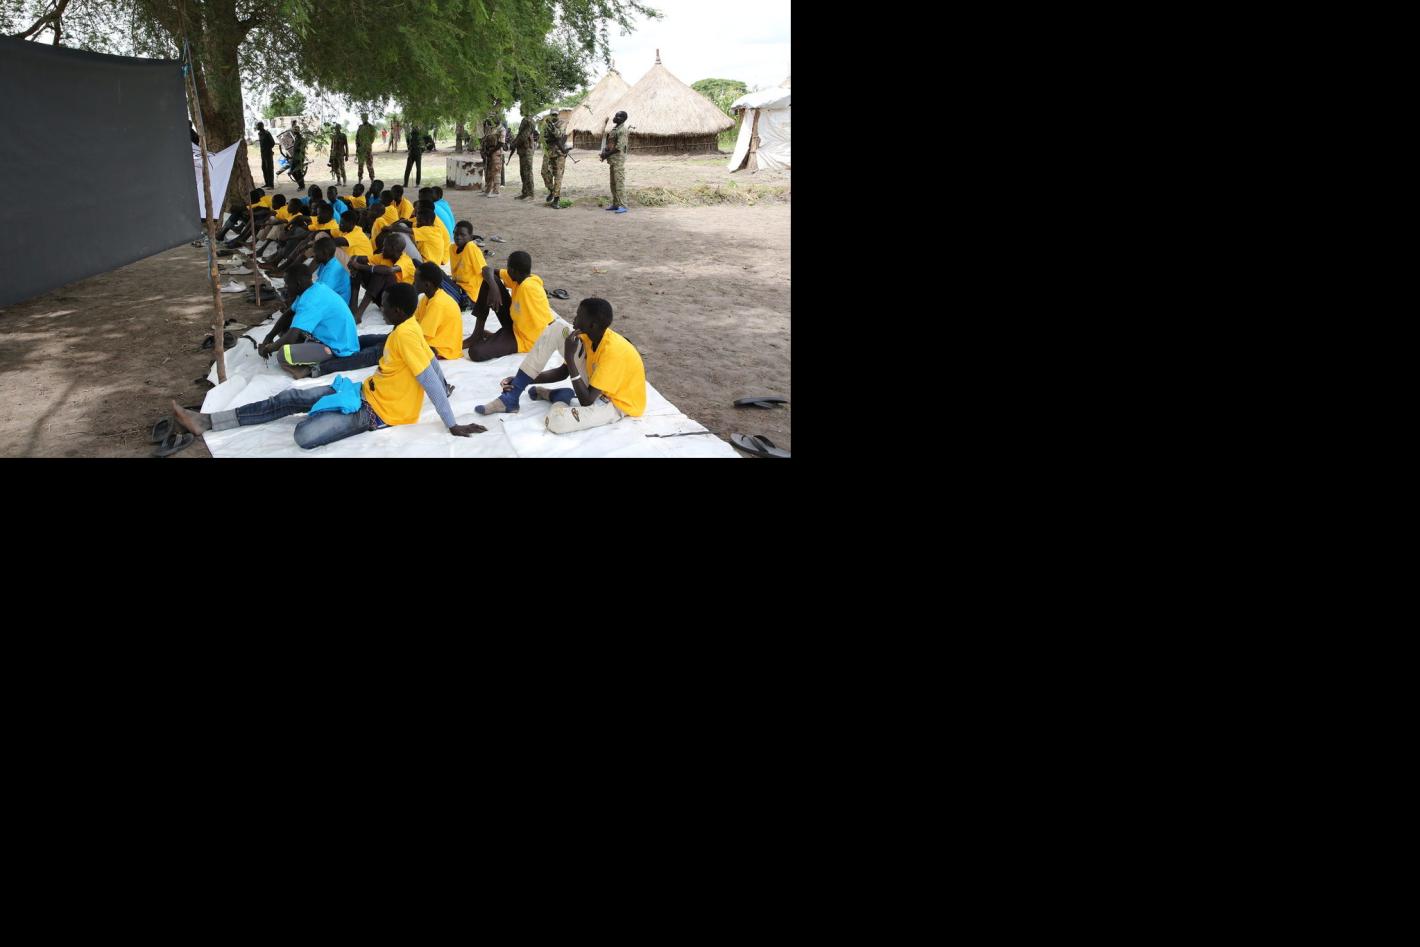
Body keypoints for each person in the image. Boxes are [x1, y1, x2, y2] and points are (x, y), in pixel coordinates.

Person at [170, 283, 483, 449]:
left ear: (398, 311)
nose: (382, 308)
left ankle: (322, 409)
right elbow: (431, 363)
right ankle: (208, 421)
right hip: (363, 393)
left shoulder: (407, 336)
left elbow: (428, 377)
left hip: (376, 413)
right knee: (289, 398)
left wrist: (451, 423)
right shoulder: (407, 327)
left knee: (304, 435)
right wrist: (446, 387)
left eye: (385, 305)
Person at [476, 296, 645, 435]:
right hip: (595, 388)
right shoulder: (588, 336)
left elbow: (586, 401)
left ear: (592, 325)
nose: (574, 318)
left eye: (579, 316)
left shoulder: (613, 352)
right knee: (558, 328)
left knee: (557, 422)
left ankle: (562, 397)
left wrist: (570, 358)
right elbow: (563, 372)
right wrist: (522, 381)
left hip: (615, 403)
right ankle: (511, 398)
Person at [252, 261, 359, 375]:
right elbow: (288, 314)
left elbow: (290, 339)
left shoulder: (310, 301)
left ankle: (311, 370)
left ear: (298, 284)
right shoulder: (313, 289)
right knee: (285, 328)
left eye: (287, 283)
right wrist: (269, 336)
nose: (285, 287)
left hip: (338, 348)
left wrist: (268, 349)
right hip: (332, 338)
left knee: (283, 354)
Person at [464, 250, 554, 362]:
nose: (506, 270)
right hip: (514, 323)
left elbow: (548, 319)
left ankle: (497, 338)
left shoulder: (530, 289)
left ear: (513, 270)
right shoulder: (519, 278)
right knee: (489, 281)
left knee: (475, 352)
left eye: (508, 267)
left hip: (524, 338)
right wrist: (494, 287)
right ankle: (477, 334)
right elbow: (487, 270)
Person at [349, 230, 414, 322]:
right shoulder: (383, 256)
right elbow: (359, 258)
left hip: (397, 305)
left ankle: (358, 314)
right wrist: (353, 262)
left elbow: (389, 270)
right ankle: (353, 307)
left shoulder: (406, 261)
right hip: (383, 299)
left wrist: (359, 266)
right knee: (362, 267)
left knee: (383, 272)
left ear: (393, 248)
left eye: (385, 246)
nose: (382, 249)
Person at [449, 220, 489, 312]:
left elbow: (485, 271)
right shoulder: (452, 248)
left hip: (469, 296)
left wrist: (493, 291)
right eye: (456, 234)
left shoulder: (471, 248)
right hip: (458, 288)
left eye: (462, 235)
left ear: (470, 237)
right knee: (435, 275)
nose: (458, 237)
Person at [601, 110, 629, 213]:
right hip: (613, 160)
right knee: (613, 183)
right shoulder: (615, 129)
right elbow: (611, 144)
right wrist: (605, 151)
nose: (615, 118)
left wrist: (606, 154)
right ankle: (616, 204)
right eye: (616, 116)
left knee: (619, 183)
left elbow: (619, 147)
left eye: (618, 116)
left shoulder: (623, 130)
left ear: (623, 119)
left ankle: (623, 205)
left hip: (618, 160)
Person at [543, 112, 570, 207]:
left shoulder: (562, 123)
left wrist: (553, 129)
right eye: (552, 115)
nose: (554, 117)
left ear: (558, 115)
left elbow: (560, 135)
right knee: (544, 172)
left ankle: (556, 199)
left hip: (559, 153)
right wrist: (551, 135)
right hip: (549, 152)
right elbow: (544, 138)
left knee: (558, 176)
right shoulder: (546, 126)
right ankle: (551, 190)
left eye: (555, 115)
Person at [512, 114, 536, 199]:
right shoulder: (525, 120)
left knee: (527, 172)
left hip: (527, 151)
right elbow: (521, 135)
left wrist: (515, 144)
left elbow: (524, 136)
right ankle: (525, 192)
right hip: (523, 151)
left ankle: (530, 194)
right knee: (523, 172)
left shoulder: (529, 121)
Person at [481, 119, 503, 197]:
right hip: (489, 154)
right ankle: (488, 190)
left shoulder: (499, 130)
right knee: (489, 172)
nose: (486, 127)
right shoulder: (489, 132)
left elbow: (500, 143)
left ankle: (496, 191)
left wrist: (491, 151)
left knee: (496, 172)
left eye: (487, 125)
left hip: (495, 153)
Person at [355, 113, 376, 184]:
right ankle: (359, 181)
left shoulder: (371, 127)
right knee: (360, 165)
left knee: (369, 165)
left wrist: (367, 144)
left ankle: (372, 180)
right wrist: (358, 147)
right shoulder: (360, 127)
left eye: (364, 117)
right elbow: (357, 138)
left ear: (367, 118)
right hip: (360, 150)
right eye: (362, 117)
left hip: (367, 149)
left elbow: (372, 138)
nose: (363, 119)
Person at [256, 121, 276, 189]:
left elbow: (273, 143)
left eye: (258, 126)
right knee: (264, 168)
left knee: (269, 169)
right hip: (263, 154)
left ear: (261, 126)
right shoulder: (259, 134)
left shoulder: (267, 133)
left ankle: (271, 185)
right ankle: (267, 183)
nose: (257, 127)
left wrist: (268, 149)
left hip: (268, 154)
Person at [289, 120, 307, 189]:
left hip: (299, 158)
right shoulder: (296, 138)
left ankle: (302, 186)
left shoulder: (302, 139)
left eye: (294, 131)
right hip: (294, 158)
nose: (293, 132)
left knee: (298, 172)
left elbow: (301, 150)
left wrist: (300, 160)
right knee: (292, 172)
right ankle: (300, 185)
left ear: (297, 132)